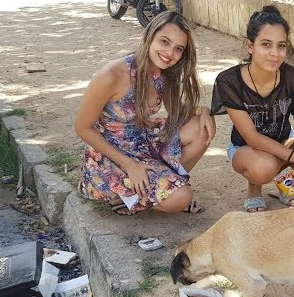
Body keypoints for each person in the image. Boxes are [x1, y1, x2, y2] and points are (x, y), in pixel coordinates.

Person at [75, 11, 216, 215]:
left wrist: (204, 111)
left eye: (178, 49)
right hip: (110, 153)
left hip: (143, 141)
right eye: (164, 42)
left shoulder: (162, 73)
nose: (170, 53)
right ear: (149, 36)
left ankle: (158, 187)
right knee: (182, 197)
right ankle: (127, 195)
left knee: (202, 129)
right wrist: (130, 165)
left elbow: (177, 109)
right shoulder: (112, 75)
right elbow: (82, 127)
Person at [211, 5, 294, 212]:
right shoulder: (229, 81)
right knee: (264, 167)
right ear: (250, 46)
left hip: (284, 139)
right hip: (246, 148)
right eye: (266, 44)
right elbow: (252, 138)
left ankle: (288, 186)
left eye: (281, 46)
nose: (275, 54)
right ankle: (254, 189)